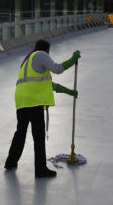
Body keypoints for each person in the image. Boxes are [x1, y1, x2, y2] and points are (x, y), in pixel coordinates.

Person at [4, 39, 80, 178]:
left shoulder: (29, 60)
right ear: (47, 50)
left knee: (20, 133)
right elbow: (58, 69)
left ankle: (10, 162)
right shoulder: (41, 55)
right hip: (34, 102)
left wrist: (69, 91)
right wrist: (73, 59)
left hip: (22, 101)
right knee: (38, 137)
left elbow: (49, 84)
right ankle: (40, 170)